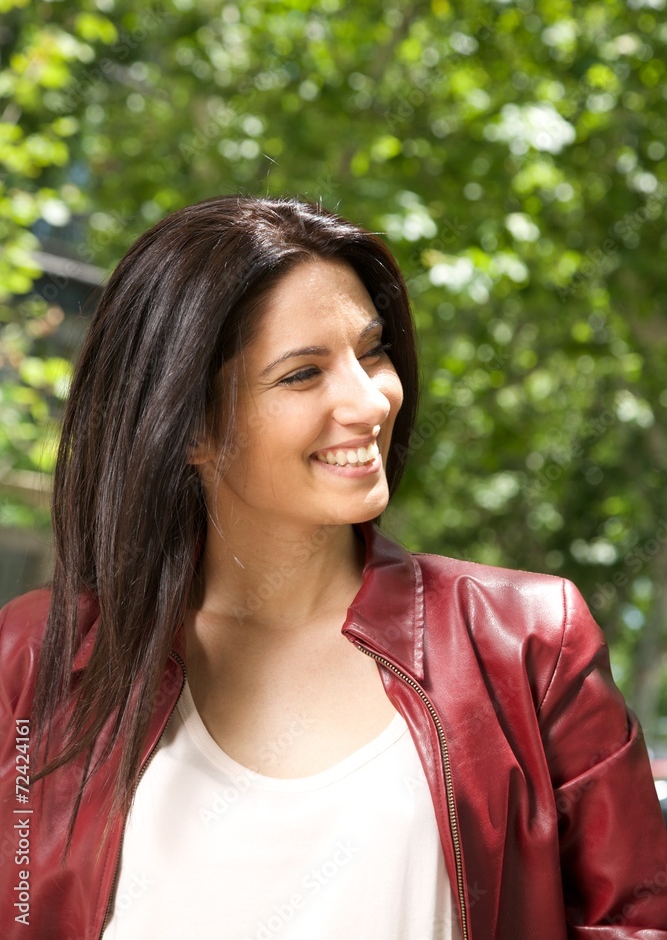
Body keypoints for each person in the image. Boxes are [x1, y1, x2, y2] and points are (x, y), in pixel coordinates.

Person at [0, 196, 666, 940]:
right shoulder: (35, 655)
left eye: (371, 352)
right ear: (185, 426)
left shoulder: (528, 643)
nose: (367, 399)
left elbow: (634, 922)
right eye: (301, 374)